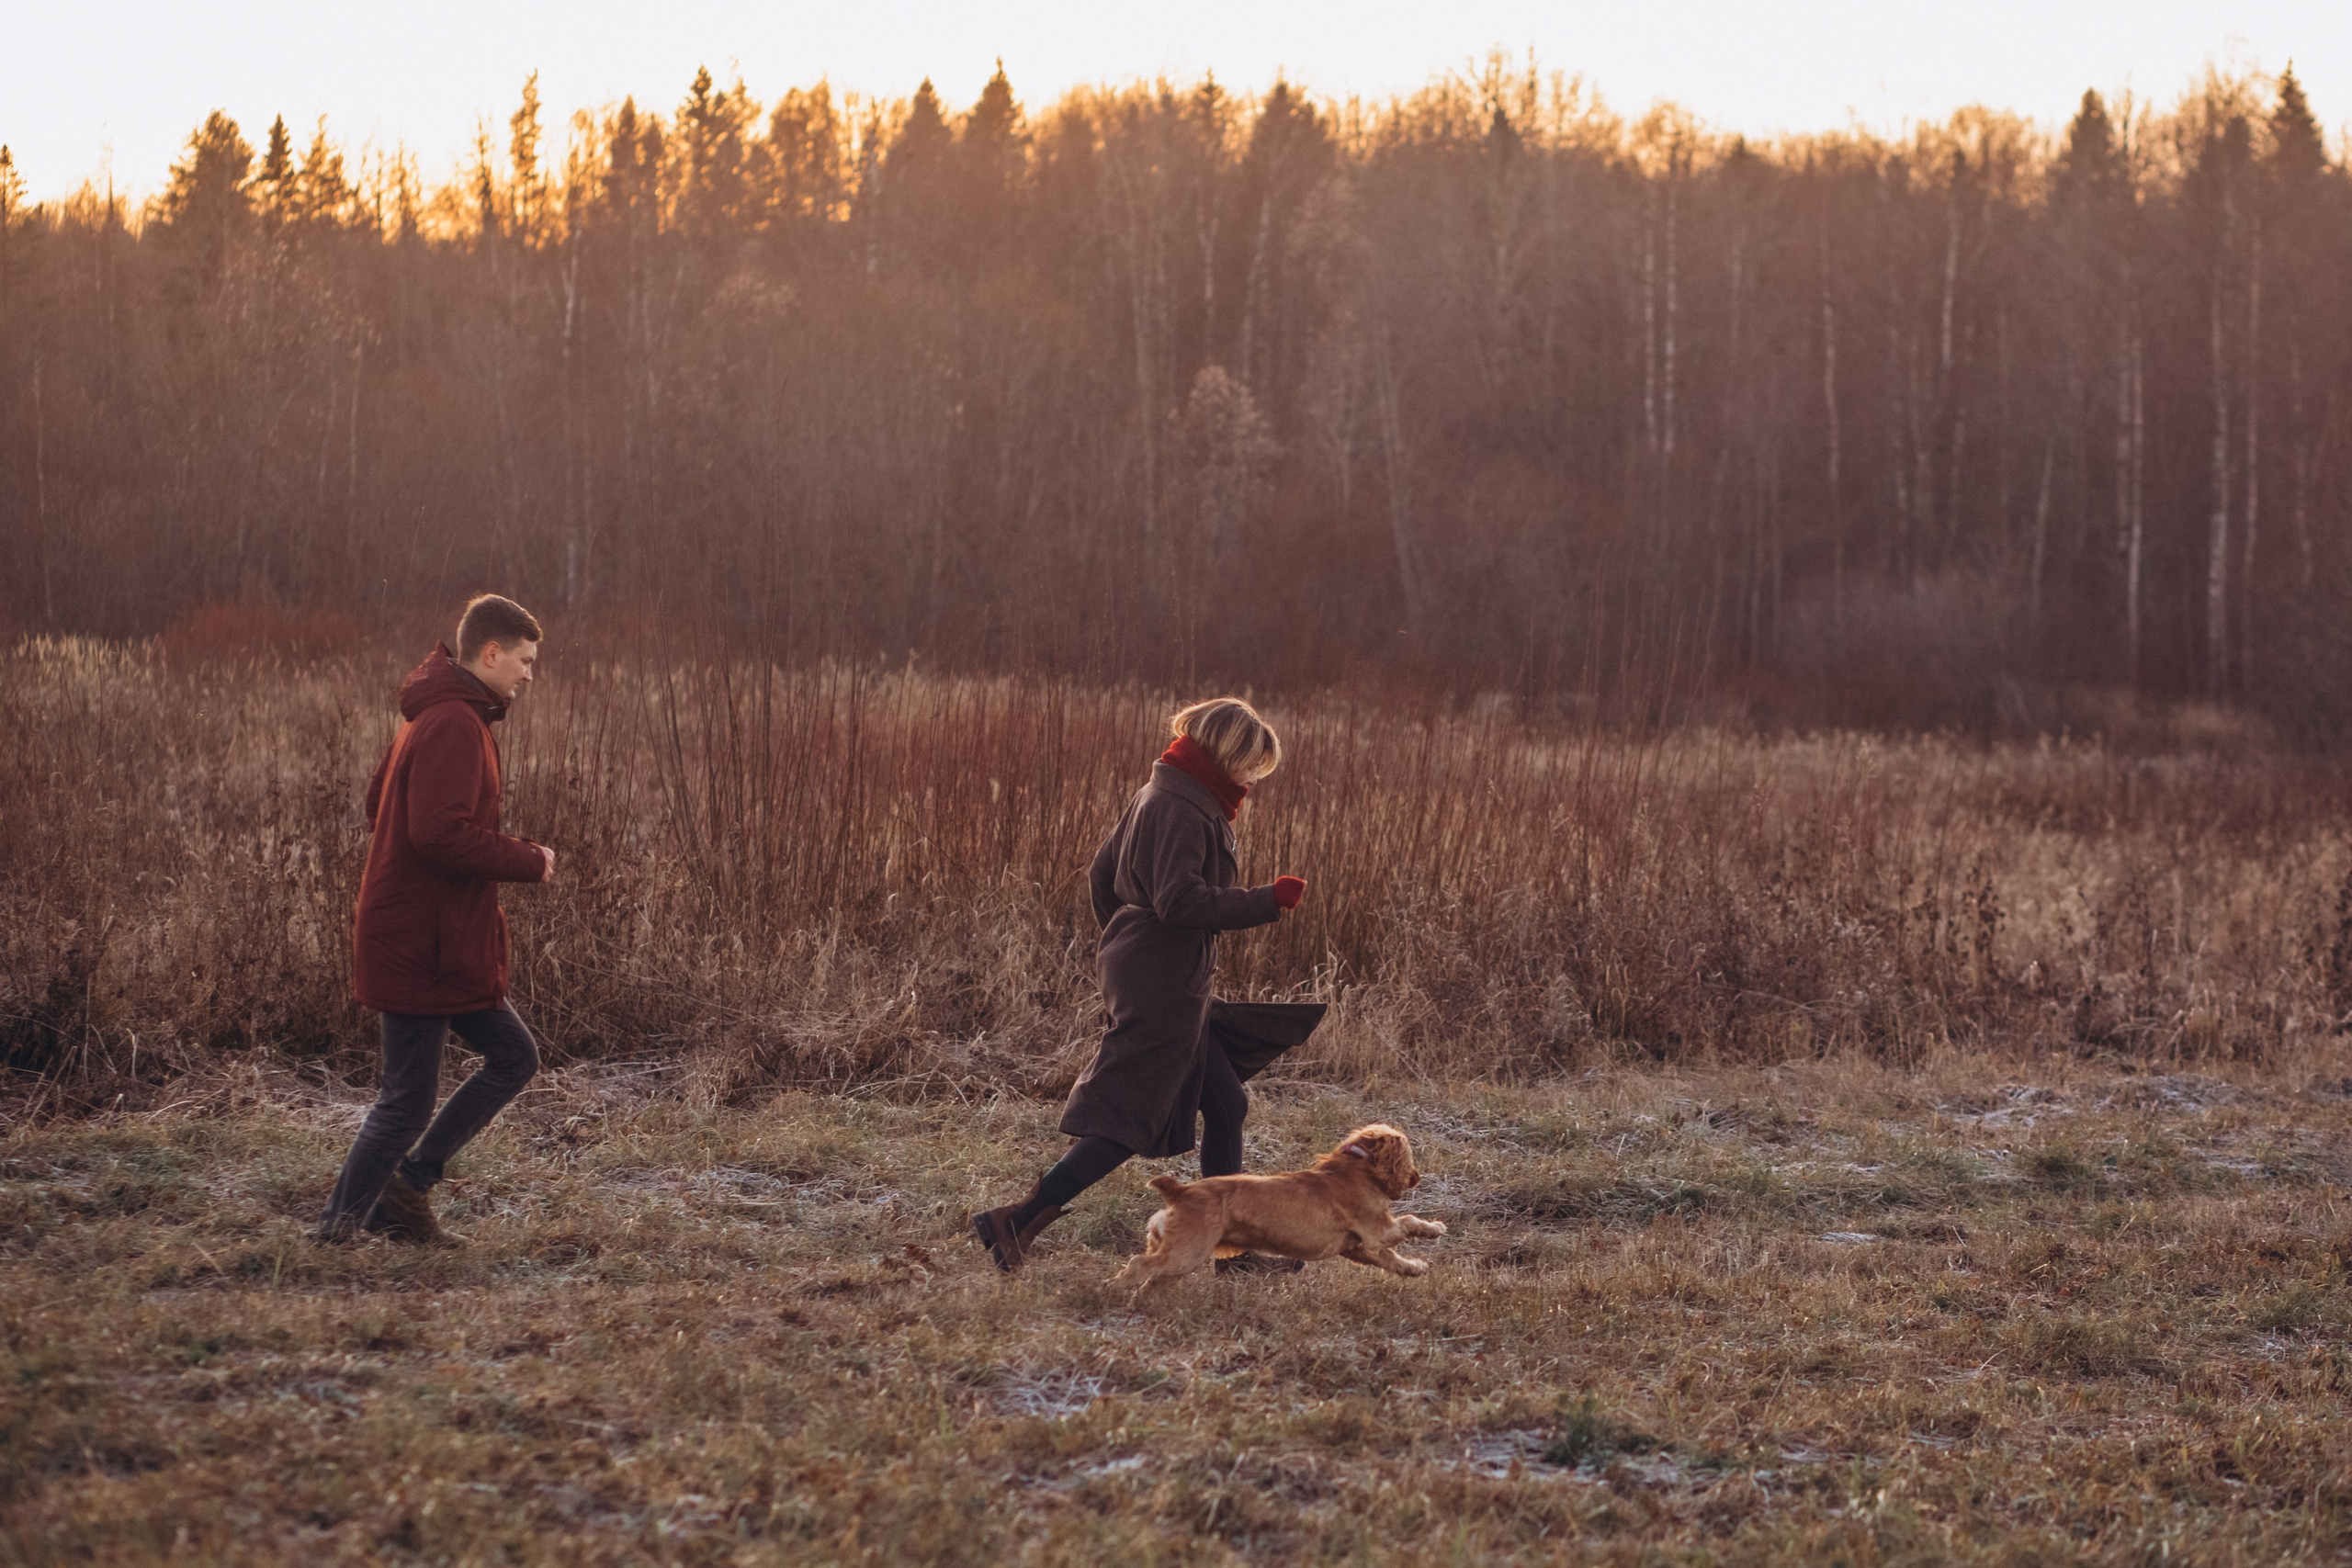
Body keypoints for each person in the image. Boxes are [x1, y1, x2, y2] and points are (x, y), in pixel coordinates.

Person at [973, 696, 1308, 1274]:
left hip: (1155, 971)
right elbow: (1179, 900)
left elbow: (1102, 875)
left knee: (1227, 1104)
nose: (1254, 779)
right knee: (1131, 1117)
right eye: (1252, 765)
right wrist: (1265, 901)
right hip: (1163, 981)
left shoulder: (1166, 791)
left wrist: (1127, 941)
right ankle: (1017, 1220)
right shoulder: (1181, 806)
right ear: (1228, 754)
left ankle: (1227, 1249)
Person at [314, 594, 556, 1245]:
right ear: (491, 652)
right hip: (420, 945)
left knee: (512, 1055)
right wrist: (527, 859)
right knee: (404, 1101)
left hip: (442, 941)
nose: (530, 675)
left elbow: (378, 806)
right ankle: (335, 1233)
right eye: (525, 661)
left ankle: (408, 1185)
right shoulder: (452, 721)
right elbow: (436, 832)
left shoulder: (437, 714)